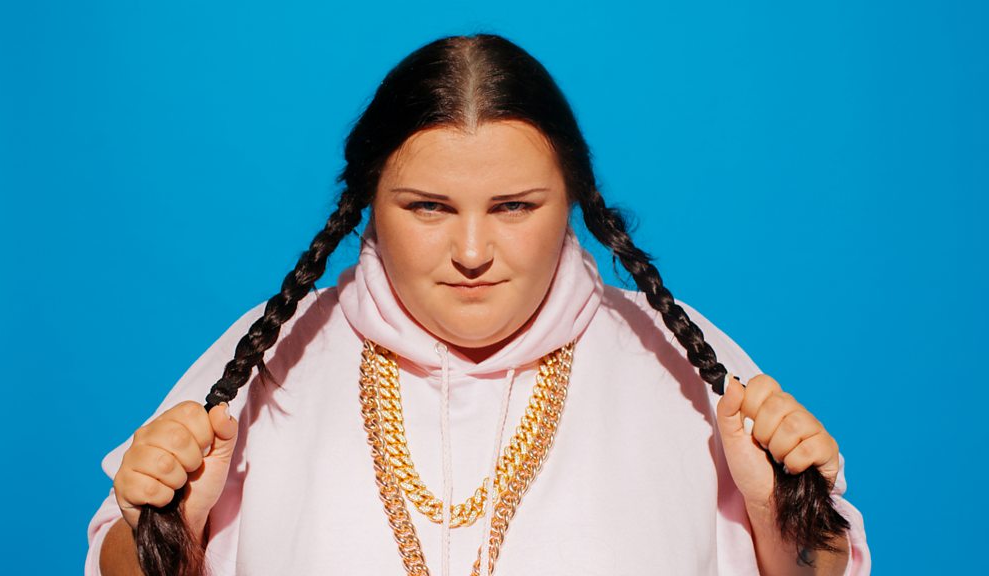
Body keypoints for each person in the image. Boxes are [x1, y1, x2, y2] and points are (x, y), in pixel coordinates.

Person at [87, 34, 870, 576]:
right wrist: (168, 534)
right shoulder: (270, 357)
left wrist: (781, 521)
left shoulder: (679, 362)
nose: (471, 251)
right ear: (367, 205)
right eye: (428, 207)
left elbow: (820, 568)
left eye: (514, 207)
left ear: (574, 201)